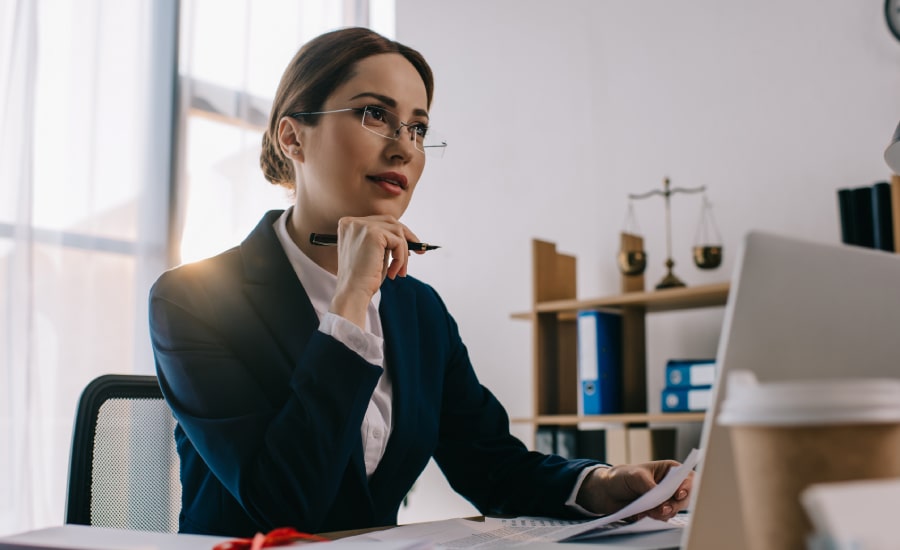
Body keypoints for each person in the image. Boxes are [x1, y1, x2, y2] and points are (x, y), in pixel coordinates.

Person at [148, 26, 692, 538]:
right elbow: (282, 504)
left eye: (418, 128)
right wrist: (351, 302)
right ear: (292, 136)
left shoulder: (418, 309)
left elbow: (490, 465)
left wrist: (599, 486)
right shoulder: (193, 300)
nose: (404, 147)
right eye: (372, 114)